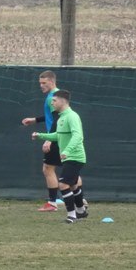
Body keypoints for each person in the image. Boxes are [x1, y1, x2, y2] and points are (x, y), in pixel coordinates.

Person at [21, 70, 84, 212]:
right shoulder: (57, 95)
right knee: (71, 170)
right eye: (40, 83)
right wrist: (35, 120)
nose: (41, 86)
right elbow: (52, 116)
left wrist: (48, 139)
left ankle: (52, 203)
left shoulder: (53, 97)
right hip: (60, 137)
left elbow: (57, 119)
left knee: (48, 168)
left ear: (51, 81)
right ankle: (81, 200)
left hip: (56, 137)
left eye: (44, 83)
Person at [32, 90, 88, 224]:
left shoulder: (72, 116)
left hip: (75, 157)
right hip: (68, 156)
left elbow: (78, 136)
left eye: (54, 100)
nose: (52, 103)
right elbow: (58, 135)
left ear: (63, 101)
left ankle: (72, 215)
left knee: (63, 184)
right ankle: (81, 211)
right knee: (73, 185)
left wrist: (67, 151)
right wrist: (41, 136)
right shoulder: (62, 117)